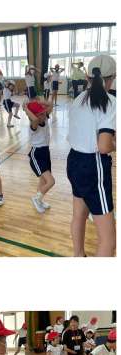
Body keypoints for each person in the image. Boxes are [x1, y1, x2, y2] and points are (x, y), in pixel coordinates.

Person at [67, 54, 116, 257]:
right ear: (112, 78)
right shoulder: (110, 101)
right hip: (93, 166)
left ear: (87, 77)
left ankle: (78, 256)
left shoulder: (78, 99)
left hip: (73, 161)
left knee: (79, 215)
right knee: (109, 241)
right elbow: (104, 146)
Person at [23, 100, 55, 213]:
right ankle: (36, 198)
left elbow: (50, 104)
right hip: (36, 154)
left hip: (45, 152)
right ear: (33, 116)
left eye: (43, 113)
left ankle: (39, 200)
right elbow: (35, 119)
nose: (44, 115)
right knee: (51, 181)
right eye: (40, 114)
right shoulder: (34, 124)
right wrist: (26, 109)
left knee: (43, 180)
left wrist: (37, 102)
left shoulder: (44, 119)